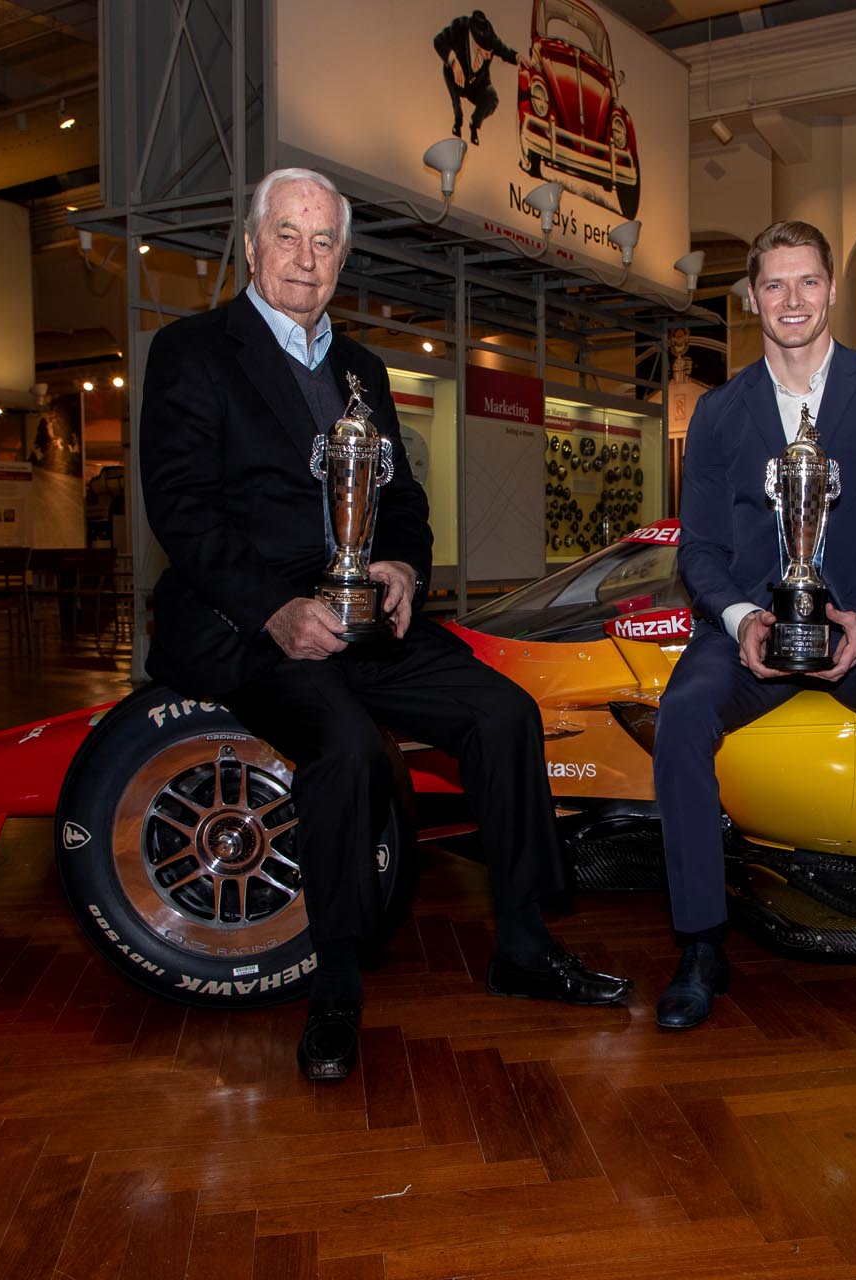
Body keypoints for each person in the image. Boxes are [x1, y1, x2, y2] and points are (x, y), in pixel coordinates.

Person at [140, 167, 629, 1083]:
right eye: (287, 235)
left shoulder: (361, 367)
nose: (306, 257)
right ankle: (334, 985)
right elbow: (182, 512)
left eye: (324, 241)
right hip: (255, 622)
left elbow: (402, 500)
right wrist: (278, 610)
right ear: (252, 246)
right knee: (350, 747)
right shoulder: (195, 352)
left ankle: (522, 945)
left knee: (503, 715)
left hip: (367, 616)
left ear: (343, 257)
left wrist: (405, 564)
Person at [651, 220, 856, 1057]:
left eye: (808, 283)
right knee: (680, 718)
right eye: (774, 285)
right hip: (755, 624)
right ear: (752, 297)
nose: (792, 301)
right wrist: (741, 619)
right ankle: (702, 946)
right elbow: (702, 551)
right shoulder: (719, 413)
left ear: (833, 290)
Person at [433, 10, 518, 147]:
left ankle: (474, 124)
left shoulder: (491, 39)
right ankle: (458, 121)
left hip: (477, 85)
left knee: (492, 97)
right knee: (455, 99)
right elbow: (438, 41)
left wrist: (518, 58)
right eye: (486, 53)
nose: (489, 56)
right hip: (456, 79)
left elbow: (505, 52)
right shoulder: (460, 26)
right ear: (477, 45)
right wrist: (453, 61)